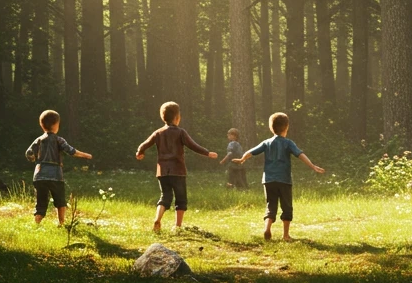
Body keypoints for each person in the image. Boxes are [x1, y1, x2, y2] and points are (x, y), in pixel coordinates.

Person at [232, 111, 325, 242]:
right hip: (284, 180)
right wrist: (312, 166)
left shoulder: (267, 142)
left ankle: (267, 227)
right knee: (286, 206)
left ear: (271, 128)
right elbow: (300, 154)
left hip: (268, 180)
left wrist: (242, 159)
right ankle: (286, 235)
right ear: (286, 127)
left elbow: (251, 152)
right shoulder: (288, 143)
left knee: (271, 205)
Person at [136, 101, 217, 233]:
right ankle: (177, 227)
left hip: (162, 171)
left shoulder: (158, 133)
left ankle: (157, 219)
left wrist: (140, 152)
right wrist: (207, 153)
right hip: (178, 170)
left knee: (165, 196)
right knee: (181, 199)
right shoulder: (180, 132)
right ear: (177, 117)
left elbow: (144, 144)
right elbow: (193, 145)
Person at [25, 110, 92, 226]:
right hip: (56, 175)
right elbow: (71, 151)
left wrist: (36, 161)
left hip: (39, 175)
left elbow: (29, 153)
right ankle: (61, 223)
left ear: (42, 125)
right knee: (60, 200)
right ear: (56, 125)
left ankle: (36, 224)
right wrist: (86, 155)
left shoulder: (38, 140)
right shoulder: (59, 140)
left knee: (41, 202)